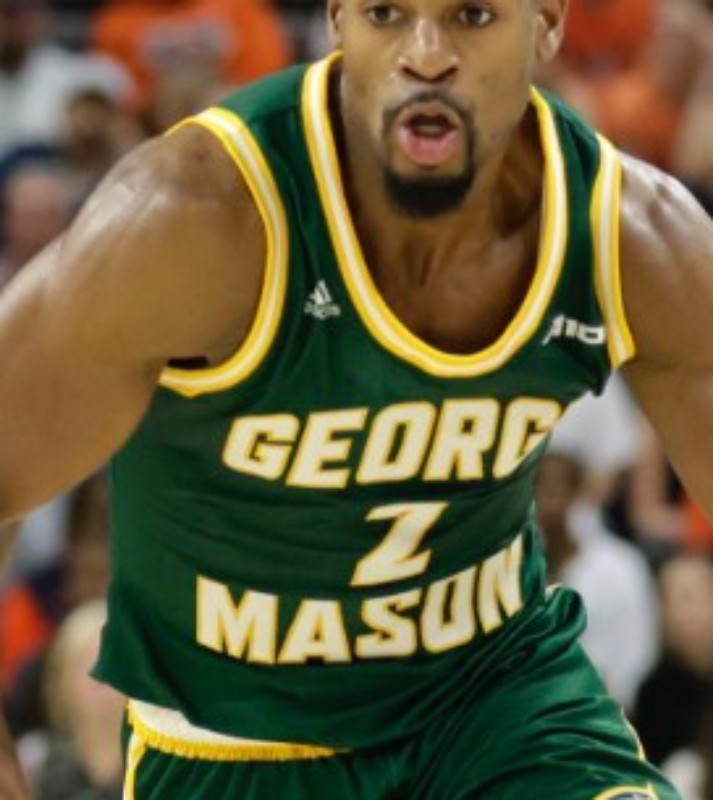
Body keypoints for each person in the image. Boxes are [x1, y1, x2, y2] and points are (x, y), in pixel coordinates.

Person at [0, 0, 711, 796]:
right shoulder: (195, 216)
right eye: (386, 14)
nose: (426, 54)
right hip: (236, 745)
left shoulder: (628, 234)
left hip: (493, 705)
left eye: (472, 15)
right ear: (337, 20)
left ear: (546, 22)